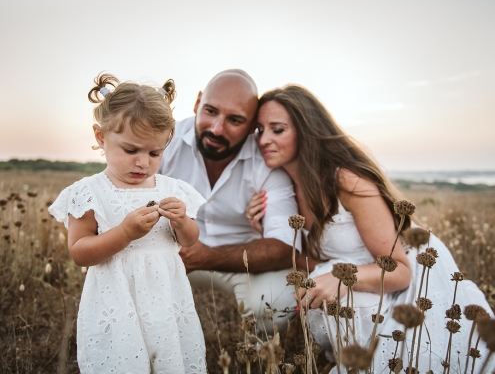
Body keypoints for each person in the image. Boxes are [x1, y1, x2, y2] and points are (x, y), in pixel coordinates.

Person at [246, 84, 495, 373]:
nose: (264, 139)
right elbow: (319, 260)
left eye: (277, 129)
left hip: (412, 280)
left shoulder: (347, 180)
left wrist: (340, 280)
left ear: (306, 131)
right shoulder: (284, 188)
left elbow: (400, 271)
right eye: (259, 130)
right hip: (369, 281)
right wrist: (268, 228)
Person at [49, 73, 207, 373]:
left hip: (166, 300)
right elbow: (80, 251)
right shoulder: (89, 192)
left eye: (154, 153)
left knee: (169, 357)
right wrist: (124, 233)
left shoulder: (171, 188)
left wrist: (182, 221)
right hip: (116, 300)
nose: (143, 162)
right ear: (101, 137)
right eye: (131, 150)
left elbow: (189, 240)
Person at [159, 69, 301, 333]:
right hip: (168, 254)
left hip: (241, 263)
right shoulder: (165, 140)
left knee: (275, 305)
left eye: (235, 120)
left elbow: (285, 246)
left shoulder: (268, 161)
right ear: (198, 101)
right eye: (211, 111)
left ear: (251, 127)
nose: (216, 129)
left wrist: (208, 257)